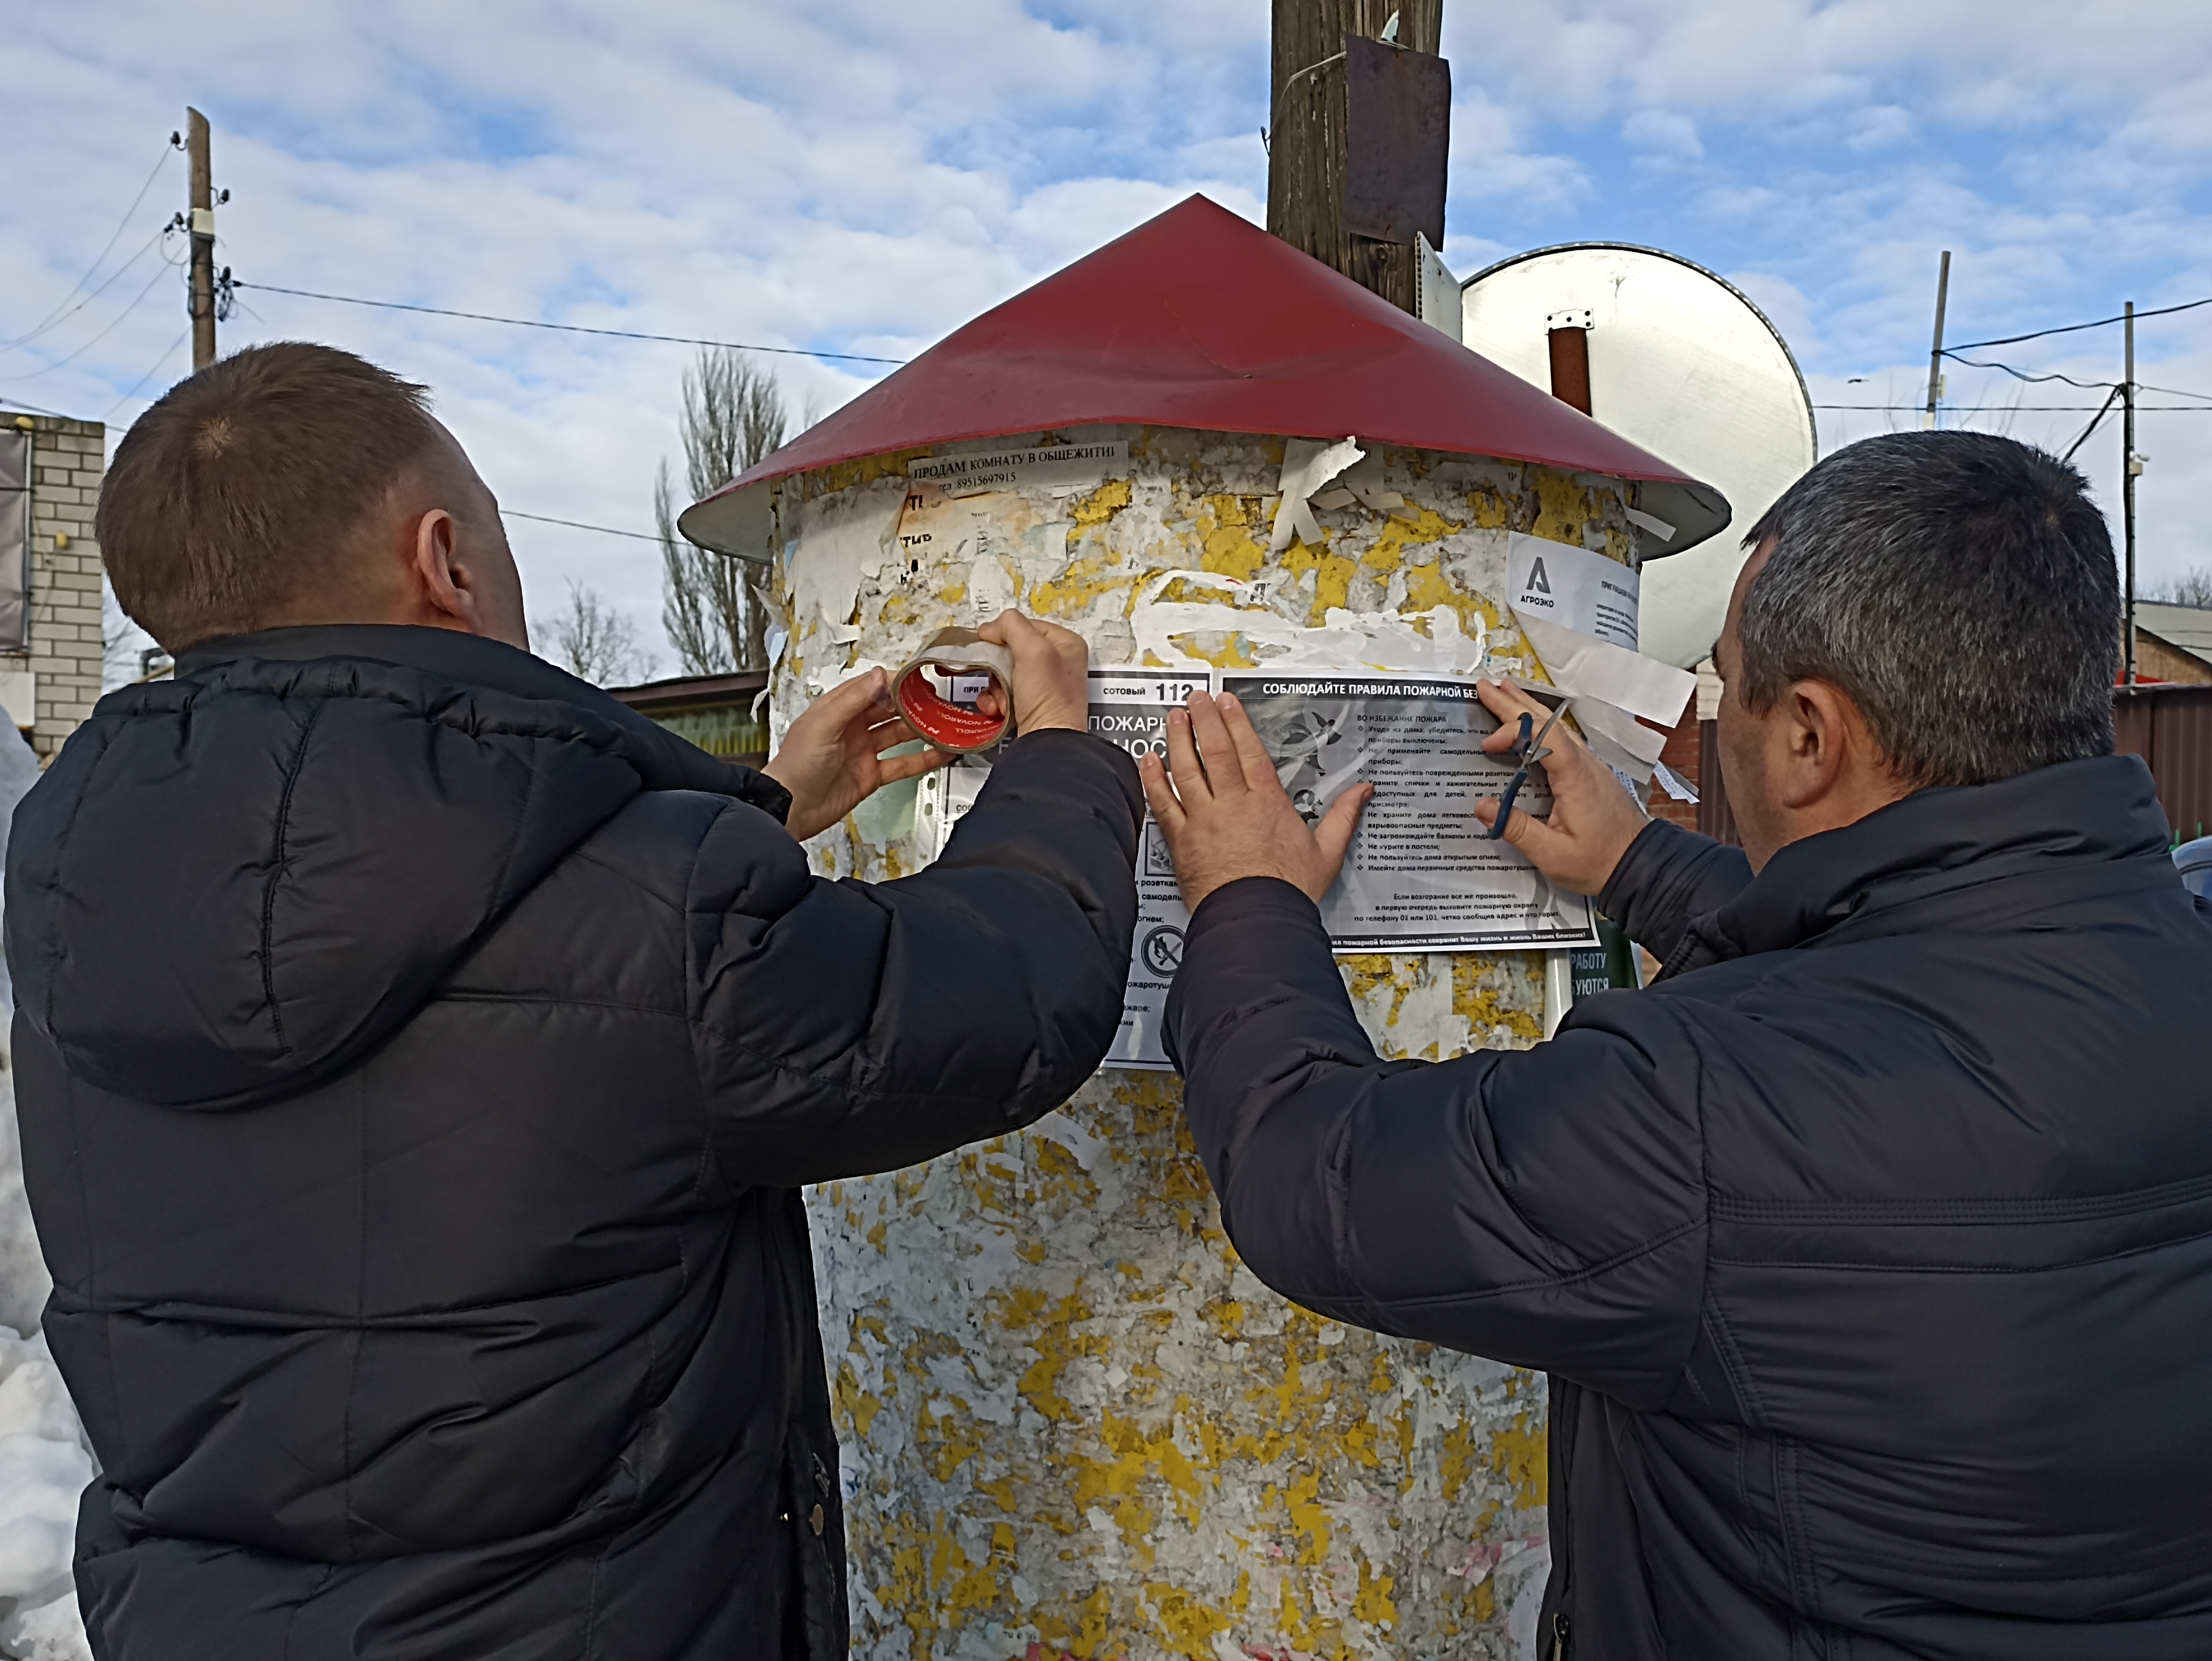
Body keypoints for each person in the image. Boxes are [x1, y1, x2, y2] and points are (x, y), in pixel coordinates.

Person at [6, 342, 1141, 1660]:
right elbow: (1003, 995)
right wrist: (1062, 754)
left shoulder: (84, 896)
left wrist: (758, 810)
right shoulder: (654, 916)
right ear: (448, 560)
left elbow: (509, 971)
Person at [1145, 431, 2212, 1660]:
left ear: (1808, 735)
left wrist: (1244, 901)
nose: (1716, 719)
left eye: (1726, 688)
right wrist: (1641, 865)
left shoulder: (1695, 1104)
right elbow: (1919, 969)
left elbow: (1308, 1172)